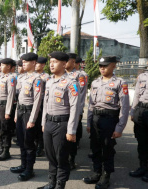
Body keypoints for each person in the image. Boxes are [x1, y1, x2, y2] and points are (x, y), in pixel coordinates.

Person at [83, 56, 130, 189]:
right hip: (95, 119)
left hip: (109, 119)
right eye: (100, 66)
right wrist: (88, 122)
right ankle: (97, 172)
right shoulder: (95, 82)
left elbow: (125, 107)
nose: (102, 68)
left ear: (113, 65)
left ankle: (106, 176)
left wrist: (120, 127)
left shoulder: (120, 83)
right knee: (95, 147)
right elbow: (91, 105)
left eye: (105, 65)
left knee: (107, 148)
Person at [38, 52, 79, 189]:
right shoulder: (49, 81)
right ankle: (51, 183)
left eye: (55, 61)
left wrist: (71, 130)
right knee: (50, 156)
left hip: (62, 124)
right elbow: (45, 103)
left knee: (61, 157)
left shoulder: (71, 83)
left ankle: (60, 185)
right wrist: (43, 122)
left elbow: (75, 107)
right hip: (49, 122)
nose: (51, 64)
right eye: (51, 62)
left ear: (64, 64)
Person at [10, 53, 43, 181]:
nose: (23, 64)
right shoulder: (22, 78)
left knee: (29, 142)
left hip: (29, 113)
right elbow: (19, 98)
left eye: (26, 62)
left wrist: (32, 119)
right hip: (20, 111)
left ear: (34, 63)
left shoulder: (37, 79)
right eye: (22, 62)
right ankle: (23, 165)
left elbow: (37, 101)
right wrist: (15, 114)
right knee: (21, 140)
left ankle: (29, 169)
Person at [65, 53, 87, 170]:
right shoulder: (61, 75)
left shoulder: (79, 75)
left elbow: (82, 95)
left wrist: (79, 112)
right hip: (62, 111)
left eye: (67, 60)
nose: (65, 63)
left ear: (73, 62)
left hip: (74, 110)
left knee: (72, 135)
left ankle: (71, 159)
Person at [0, 58, 16, 161]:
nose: (0, 67)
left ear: (9, 67)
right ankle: (1, 148)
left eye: (2, 65)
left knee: (6, 129)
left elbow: (11, 95)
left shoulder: (11, 78)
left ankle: (6, 151)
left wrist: (8, 111)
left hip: (5, 106)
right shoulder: (2, 77)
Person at [129, 65, 148, 182]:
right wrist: (133, 111)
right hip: (141, 109)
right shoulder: (142, 76)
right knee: (141, 141)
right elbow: (136, 94)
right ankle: (143, 167)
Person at [34, 56, 49, 157]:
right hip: (32, 104)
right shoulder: (32, 76)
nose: (35, 65)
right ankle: (35, 144)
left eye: (37, 63)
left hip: (42, 103)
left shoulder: (46, 77)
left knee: (40, 125)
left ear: (43, 65)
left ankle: (40, 146)